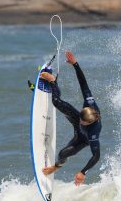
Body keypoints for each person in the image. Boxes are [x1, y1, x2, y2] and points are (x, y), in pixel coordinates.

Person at [39, 50, 101, 186]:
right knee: (56, 101)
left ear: (90, 122)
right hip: (77, 117)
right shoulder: (89, 103)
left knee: (63, 154)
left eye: (83, 122)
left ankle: (56, 166)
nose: (81, 122)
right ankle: (53, 81)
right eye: (81, 119)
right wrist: (75, 64)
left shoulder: (93, 132)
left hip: (81, 139)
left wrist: (83, 172)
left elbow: (96, 156)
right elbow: (83, 84)